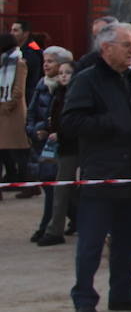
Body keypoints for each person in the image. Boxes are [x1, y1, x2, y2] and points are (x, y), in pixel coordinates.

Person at [62, 23, 131, 312]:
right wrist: (111, 122)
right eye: (127, 45)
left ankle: (122, 292)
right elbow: (70, 123)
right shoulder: (87, 81)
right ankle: (84, 297)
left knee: (129, 240)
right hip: (103, 173)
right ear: (106, 48)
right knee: (92, 243)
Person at [26, 46, 71, 241]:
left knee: (54, 185)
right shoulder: (41, 84)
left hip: (57, 143)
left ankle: (47, 225)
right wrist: (33, 130)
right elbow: (32, 111)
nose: (46, 64)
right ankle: (74, 218)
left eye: (50, 61)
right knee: (49, 184)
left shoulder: (65, 89)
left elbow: (57, 117)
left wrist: (49, 130)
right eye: (45, 60)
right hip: (41, 142)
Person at [35, 59, 78, 245]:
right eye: (61, 73)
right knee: (64, 189)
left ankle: (54, 230)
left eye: (67, 72)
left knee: (63, 189)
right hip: (62, 148)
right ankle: (71, 222)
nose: (63, 76)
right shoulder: (58, 94)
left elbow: (75, 122)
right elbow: (54, 119)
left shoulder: (76, 95)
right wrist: (47, 130)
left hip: (75, 146)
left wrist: (60, 133)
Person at [0, 33, 32, 190]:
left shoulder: (19, 62)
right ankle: (11, 176)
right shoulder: (3, 62)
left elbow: (19, 89)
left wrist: (7, 105)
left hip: (13, 112)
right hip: (3, 112)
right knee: (4, 150)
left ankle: (27, 183)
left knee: (19, 149)